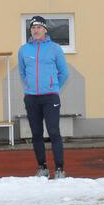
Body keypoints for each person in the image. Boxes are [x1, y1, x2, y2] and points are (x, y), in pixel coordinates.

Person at [18, 16, 69, 180]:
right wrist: (30, 87)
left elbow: (64, 73)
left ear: (45, 30)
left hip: (50, 97)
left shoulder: (55, 48)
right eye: (33, 27)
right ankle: (42, 167)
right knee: (36, 134)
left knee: (54, 132)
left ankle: (60, 168)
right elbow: (22, 72)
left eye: (39, 27)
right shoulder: (24, 49)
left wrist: (53, 88)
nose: (36, 30)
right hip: (32, 98)